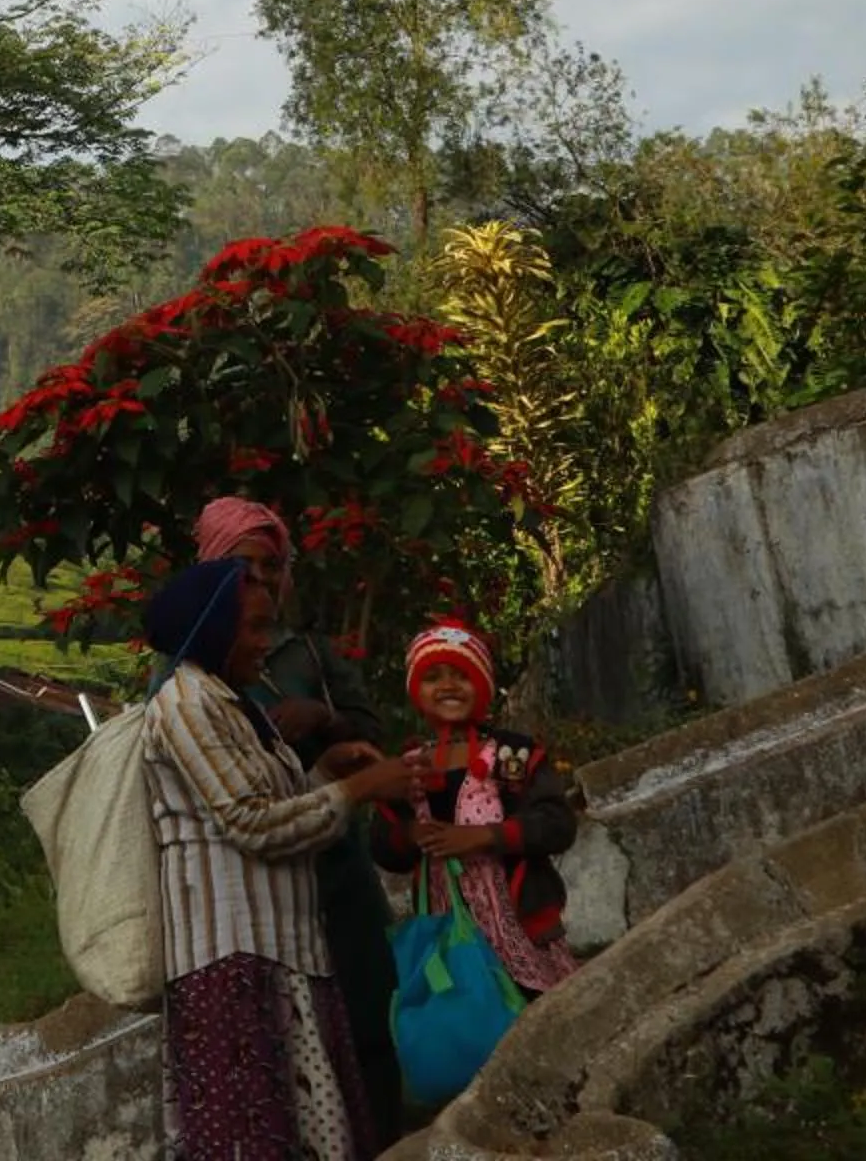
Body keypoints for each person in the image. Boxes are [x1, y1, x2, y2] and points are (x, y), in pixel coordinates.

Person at [144, 558, 429, 1161]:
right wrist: (358, 789)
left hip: (282, 954)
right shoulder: (185, 704)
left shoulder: (226, 702)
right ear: (213, 627)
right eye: (252, 628)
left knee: (304, 1136)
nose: (264, 643)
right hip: (232, 963)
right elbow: (252, 822)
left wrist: (328, 771)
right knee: (253, 1138)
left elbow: (277, 804)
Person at [194, 496, 407, 1144]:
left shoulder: (305, 652)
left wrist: (320, 717)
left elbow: (371, 731)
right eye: (243, 569)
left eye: (270, 567)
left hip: (338, 869)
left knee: (373, 1019)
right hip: (261, 895)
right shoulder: (193, 678)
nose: (260, 583)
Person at [369, 620, 583, 995]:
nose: (448, 686)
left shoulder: (511, 754)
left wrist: (483, 836)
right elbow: (384, 846)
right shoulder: (409, 768)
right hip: (448, 935)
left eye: (461, 676)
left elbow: (557, 823)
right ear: (417, 690)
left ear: (482, 686)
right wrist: (410, 834)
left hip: (522, 930)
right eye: (433, 677)